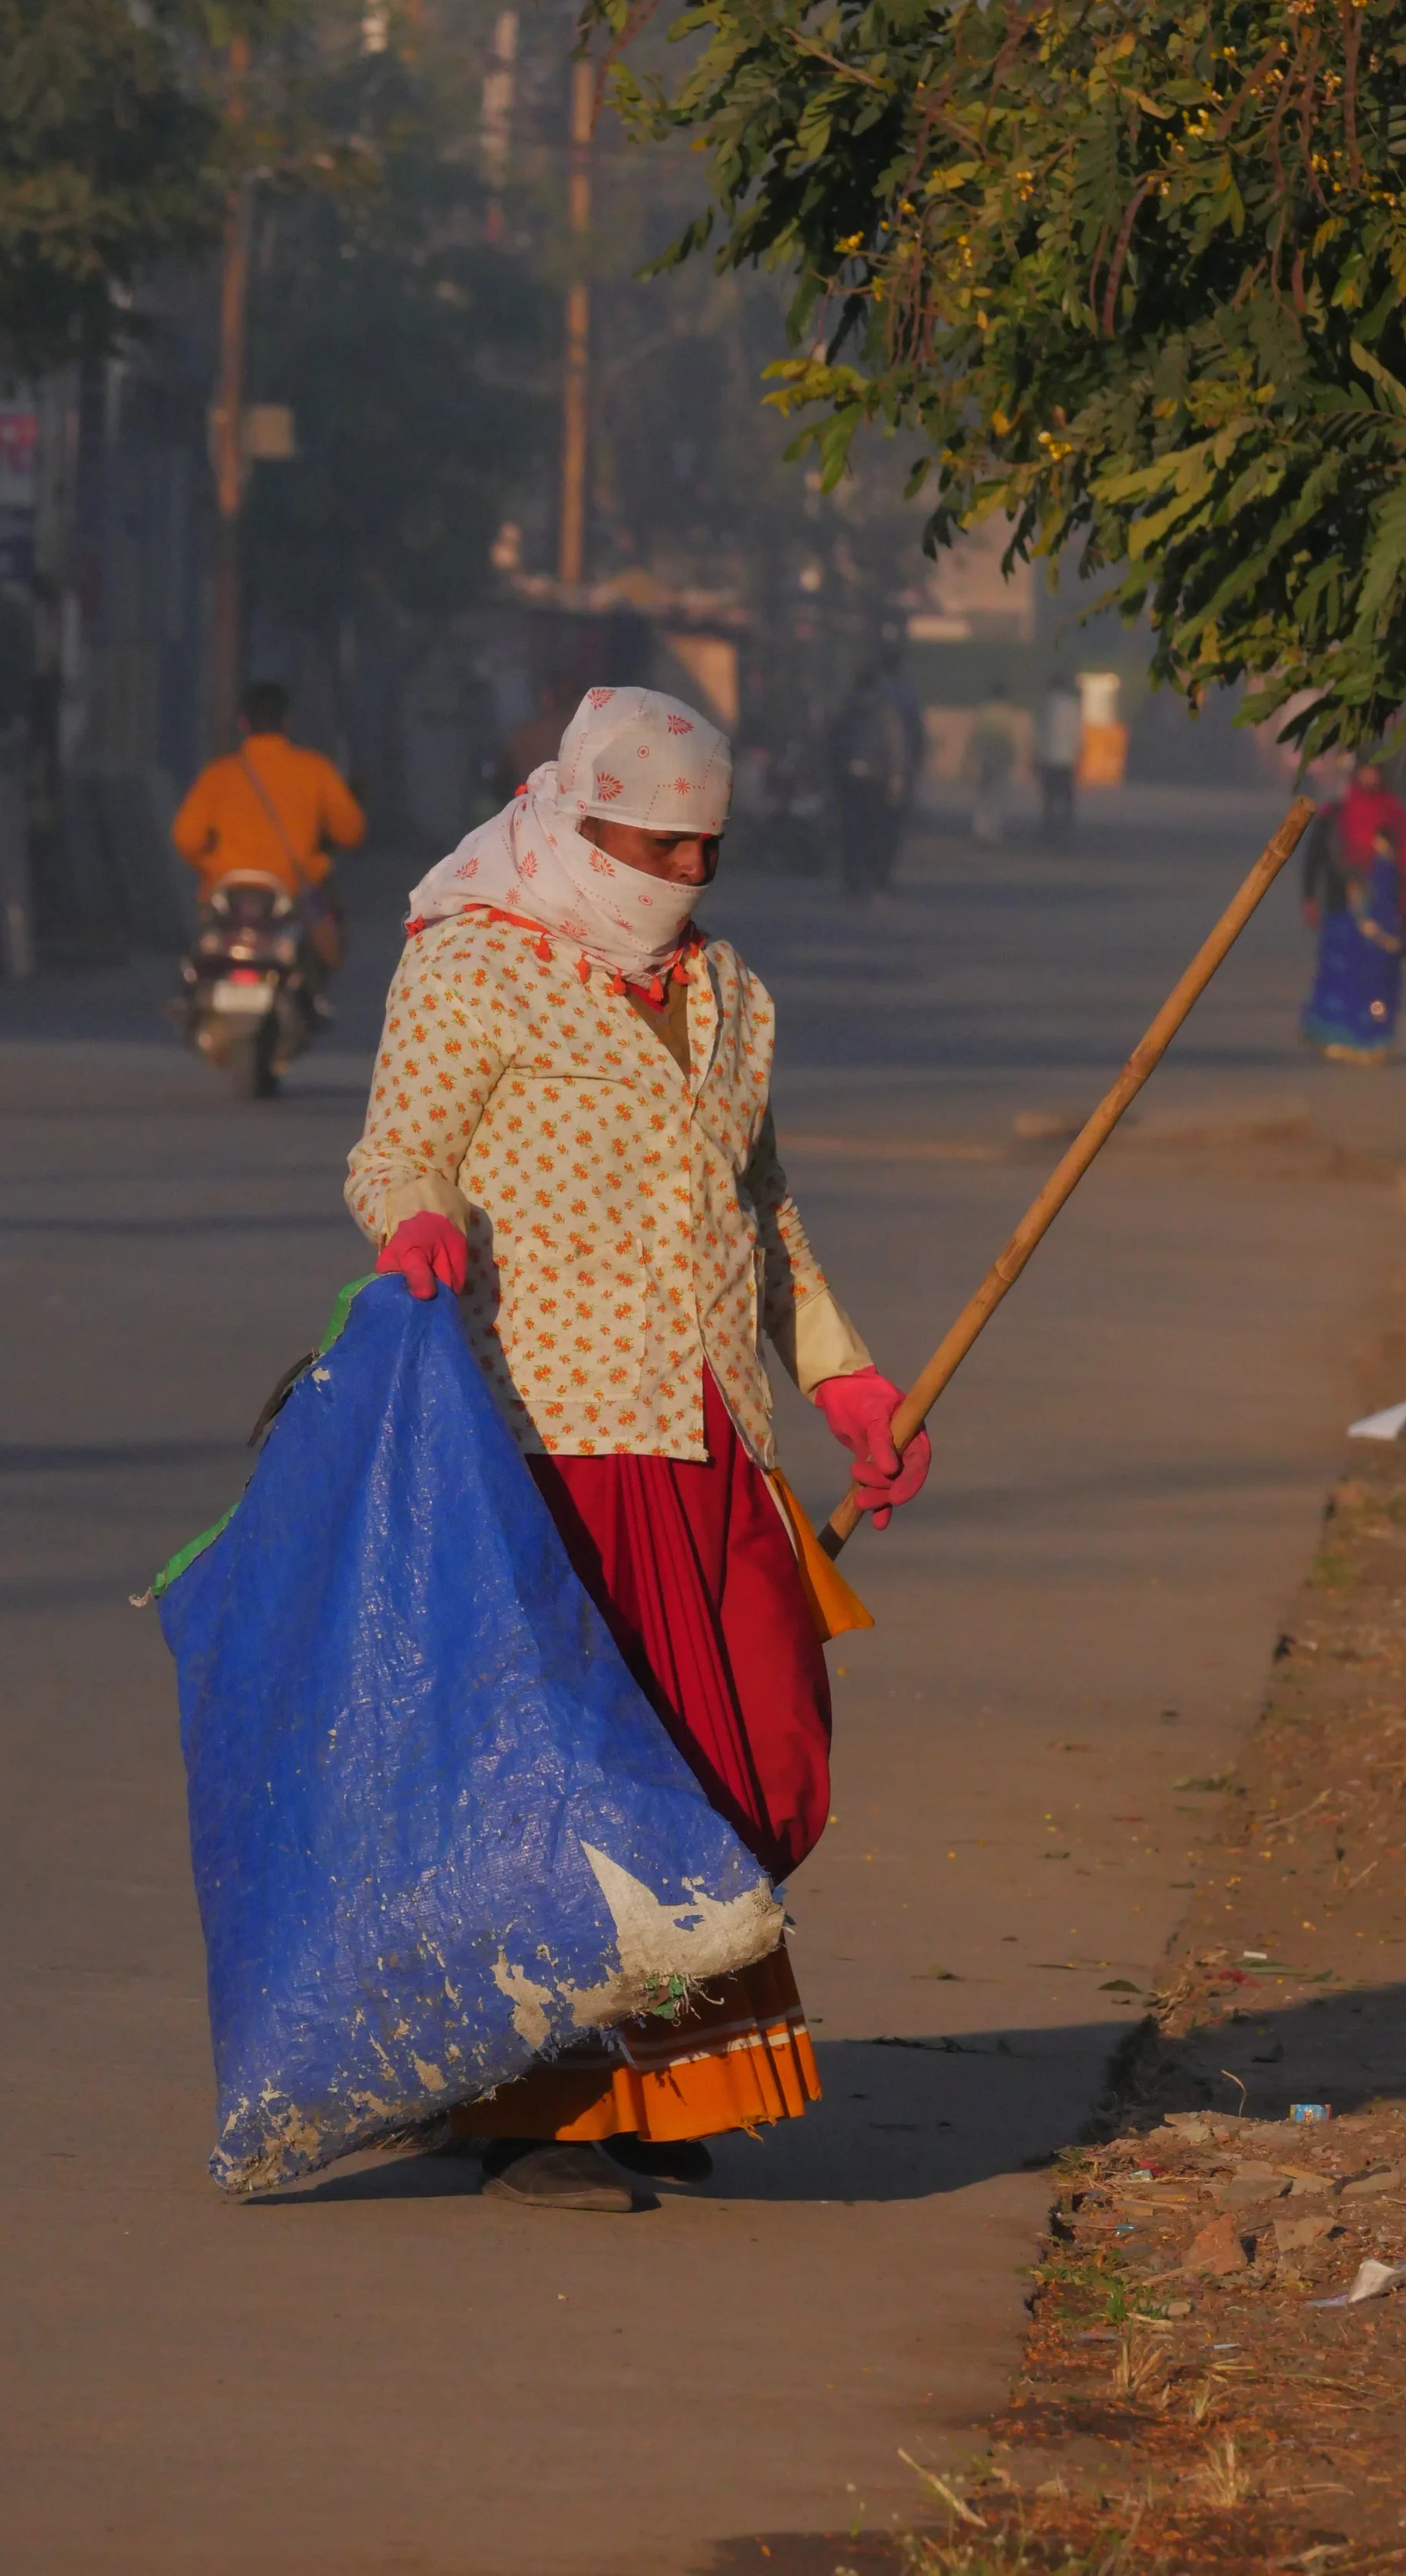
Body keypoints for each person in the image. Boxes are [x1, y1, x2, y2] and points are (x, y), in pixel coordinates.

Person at [344, 686, 932, 2212]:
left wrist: (848, 1386)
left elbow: (764, 1206)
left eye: (699, 849)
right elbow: (399, 1148)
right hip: (547, 1434)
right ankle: (550, 2100)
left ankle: (662, 2075)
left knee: (755, 1756)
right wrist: (415, 1222)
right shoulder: (474, 963)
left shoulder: (729, 997)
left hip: (707, 1429)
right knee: (582, 1777)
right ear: (572, 815)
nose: (671, 871)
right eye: (645, 839)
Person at [171, 682, 366, 959]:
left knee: (204, 951)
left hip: (227, 890)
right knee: (329, 938)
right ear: (286, 723)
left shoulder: (218, 775)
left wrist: (212, 865)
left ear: (242, 723)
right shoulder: (315, 770)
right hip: (294, 890)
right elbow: (351, 832)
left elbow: (186, 838)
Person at [1299, 759, 1406, 1063]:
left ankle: (1375, 1036)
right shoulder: (1336, 816)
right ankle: (1337, 1033)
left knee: (1380, 977)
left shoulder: (1394, 819)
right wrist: (1310, 897)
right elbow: (1314, 858)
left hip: (1385, 920)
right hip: (1343, 911)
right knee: (1342, 974)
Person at [830, 662, 918, 901]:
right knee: (877, 832)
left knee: (851, 832)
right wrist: (897, 778)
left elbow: (831, 744)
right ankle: (876, 882)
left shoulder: (845, 709)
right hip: (877, 780)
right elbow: (895, 745)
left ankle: (852, 883)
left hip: (848, 780)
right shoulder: (884, 711)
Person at [966, 682, 1024, 844]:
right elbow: (1010, 737)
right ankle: (994, 829)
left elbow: (975, 735)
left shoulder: (983, 710)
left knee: (983, 794)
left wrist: (969, 757)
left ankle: (980, 828)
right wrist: (1014, 757)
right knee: (998, 795)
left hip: (986, 757)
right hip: (1002, 757)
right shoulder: (1008, 713)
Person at [1036, 672, 1083, 848]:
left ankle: (1049, 831)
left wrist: (1035, 757)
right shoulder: (1073, 706)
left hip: (1048, 759)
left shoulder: (1044, 706)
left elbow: (1039, 735)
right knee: (1067, 798)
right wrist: (1079, 757)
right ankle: (1066, 832)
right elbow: (1078, 735)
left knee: (1049, 798)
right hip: (1067, 760)